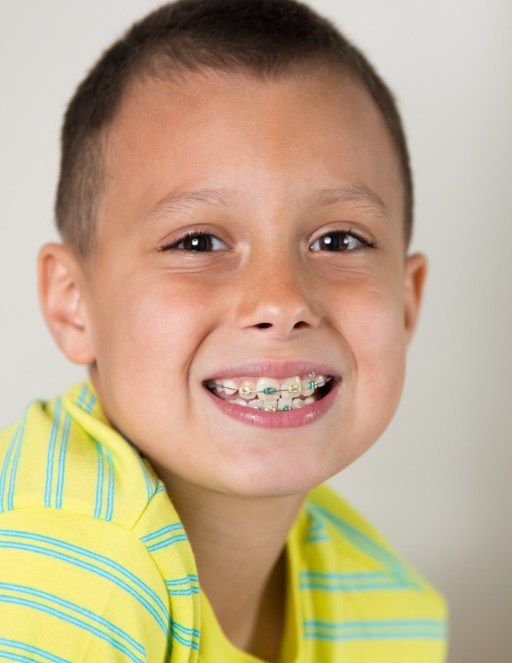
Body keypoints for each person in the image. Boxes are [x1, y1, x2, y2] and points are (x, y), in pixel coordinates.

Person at [0, 0, 447, 660]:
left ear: (406, 305)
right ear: (75, 306)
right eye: (199, 240)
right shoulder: (65, 570)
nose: (280, 300)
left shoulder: (393, 609)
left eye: (338, 238)